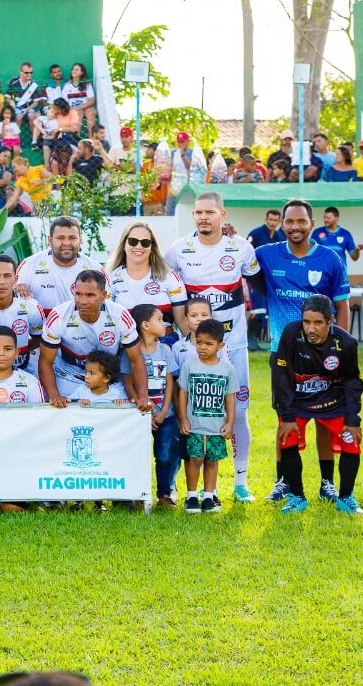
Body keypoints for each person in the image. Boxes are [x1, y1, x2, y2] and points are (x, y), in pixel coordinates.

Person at [251, 199, 351, 503]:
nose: (295, 227)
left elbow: (342, 305)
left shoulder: (330, 258)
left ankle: (327, 483)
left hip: (324, 353)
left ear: (312, 224)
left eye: (301, 221)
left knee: (324, 417)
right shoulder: (266, 255)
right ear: (281, 223)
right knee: (286, 418)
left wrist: (341, 346)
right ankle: (284, 482)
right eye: (289, 221)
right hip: (283, 352)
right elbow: (242, 266)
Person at [163, 191, 260, 502]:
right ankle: (179, 482)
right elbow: (167, 291)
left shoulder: (242, 248)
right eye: (198, 212)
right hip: (192, 348)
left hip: (234, 344)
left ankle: (241, 482)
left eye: (209, 212)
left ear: (223, 214)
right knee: (186, 411)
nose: (203, 217)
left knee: (239, 413)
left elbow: (257, 284)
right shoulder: (178, 251)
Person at [270, 295, 363, 516]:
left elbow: (353, 383)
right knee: (288, 438)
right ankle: (297, 497)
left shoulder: (346, 343)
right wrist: (287, 416)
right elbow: (281, 376)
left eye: (318, 323)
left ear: (331, 321)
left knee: (352, 442)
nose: (311, 328)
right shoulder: (291, 334)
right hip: (297, 402)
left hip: (333, 402)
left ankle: (346, 498)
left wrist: (352, 420)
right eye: (306, 322)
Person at [39, 270, 148, 408]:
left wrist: (143, 396)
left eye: (90, 295)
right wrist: (54, 395)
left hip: (107, 378)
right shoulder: (59, 315)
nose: (82, 301)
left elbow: (136, 359)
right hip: (69, 375)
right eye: (78, 294)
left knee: (123, 413)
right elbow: (45, 361)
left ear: (103, 296)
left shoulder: (119, 314)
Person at [123, 303, 181, 507]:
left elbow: (170, 381)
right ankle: (137, 494)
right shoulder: (130, 352)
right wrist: (139, 409)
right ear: (145, 325)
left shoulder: (165, 350)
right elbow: (127, 380)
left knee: (165, 455)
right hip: (138, 415)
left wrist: (165, 410)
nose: (164, 323)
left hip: (165, 415)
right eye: (159, 319)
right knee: (137, 455)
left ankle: (165, 493)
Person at [176, 318, 236, 513]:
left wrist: (230, 422)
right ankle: (192, 496)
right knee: (194, 459)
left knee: (211, 460)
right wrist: (183, 418)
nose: (202, 347)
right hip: (194, 425)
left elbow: (230, 398)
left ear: (221, 345)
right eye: (199, 342)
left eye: (208, 344)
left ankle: (209, 496)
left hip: (216, 427)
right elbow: (183, 393)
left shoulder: (227, 369)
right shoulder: (189, 366)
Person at [106, 222, 185, 345]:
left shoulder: (169, 276)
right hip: (127, 346)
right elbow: (107, 323)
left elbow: (181, 320)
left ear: (152, 247)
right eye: (133, 241)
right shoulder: (110, 278)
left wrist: (193, 351)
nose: (139, 246)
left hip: (166, 344)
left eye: (145, 242)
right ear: (124, 245)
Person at [16, 216, 104, 314]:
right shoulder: (29, 264)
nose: (66, 243)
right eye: (60, 238)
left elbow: (106, 304)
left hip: (82, 327)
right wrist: (16, 287)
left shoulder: (95, 268)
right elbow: (14, 299)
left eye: (72, 238)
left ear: (80, 240)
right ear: (50, 240)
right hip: (38, 328)